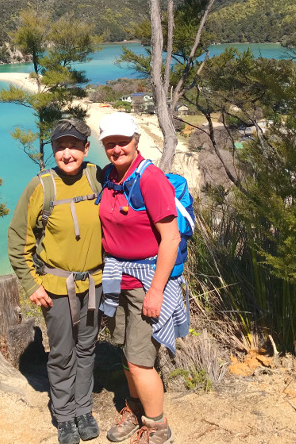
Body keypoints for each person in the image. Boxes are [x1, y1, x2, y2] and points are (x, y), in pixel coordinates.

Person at [7, 118, 104, 444]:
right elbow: (18, 239)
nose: (67, 153)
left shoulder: (96, 178)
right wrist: (32, 285)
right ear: (53, 150)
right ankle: (64, 417)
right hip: (57, 289)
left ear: (85, 149)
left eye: (73, 146)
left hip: (94, 285)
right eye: (61, 146)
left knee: (87, 350)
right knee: (62, 354)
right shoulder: (42, 186)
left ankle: (83, 411)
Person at [97, 112, 189, 444]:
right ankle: (133, 409)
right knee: (125, 351)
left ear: (136, 141)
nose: (116, 148)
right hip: (117, 278)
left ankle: (157, 426)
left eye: (122, 141)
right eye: (110, 143)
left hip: (146, 281)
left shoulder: (150, 180)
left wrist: (156, 293)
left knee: (140, 361)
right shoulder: (109, 176)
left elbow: (171, 239)